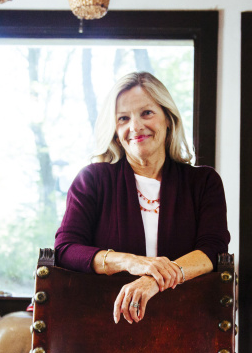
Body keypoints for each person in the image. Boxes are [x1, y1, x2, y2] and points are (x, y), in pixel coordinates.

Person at [54, 71, 230, 325]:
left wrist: (152, 281)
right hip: (101, 326)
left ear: (168, 119)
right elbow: (66, 249)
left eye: (147, 113)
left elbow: (213, 250)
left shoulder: (203, 182)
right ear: (115, 131)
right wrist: (132, 262)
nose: (135, 127)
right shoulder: (91, 180)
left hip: (187, 324)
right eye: (123, 118)